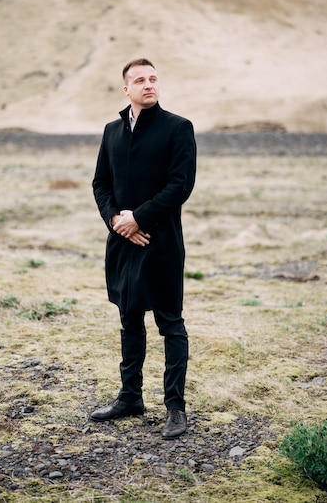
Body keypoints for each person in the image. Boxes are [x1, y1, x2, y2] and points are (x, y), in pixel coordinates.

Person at [91, 58, 197, 439]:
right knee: (129, 317)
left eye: (153, 78)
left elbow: (180, 184)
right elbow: (100, 183)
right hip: (122, 242)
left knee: (170, 322)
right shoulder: (111, 131)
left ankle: (175, 408)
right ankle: (130, 397)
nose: (148, 84)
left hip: (161, 241)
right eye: (140, 80)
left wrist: (140, 219)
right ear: (126, 89)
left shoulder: (178, 128)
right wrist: (117, 222)